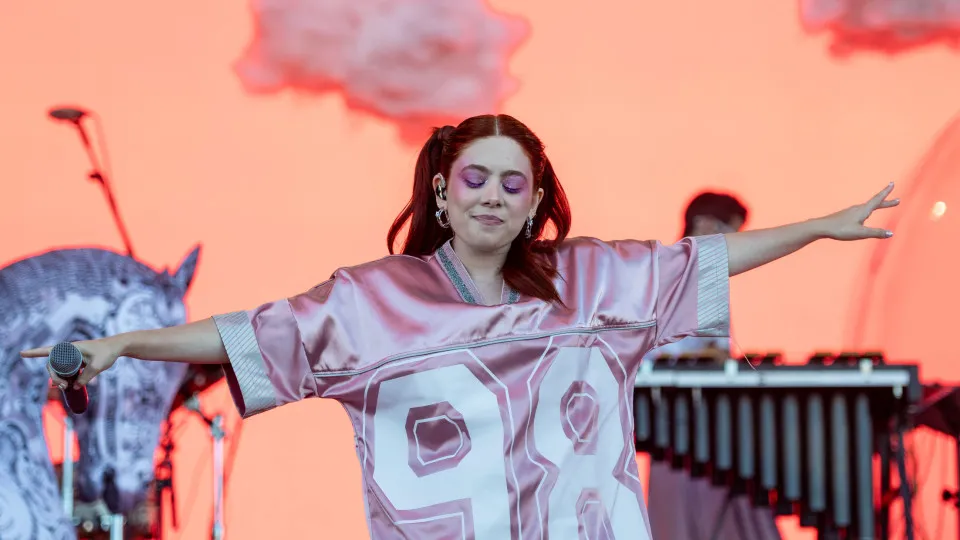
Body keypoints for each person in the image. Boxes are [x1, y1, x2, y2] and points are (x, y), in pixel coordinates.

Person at [24, 114, 899, 540]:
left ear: (535, 205)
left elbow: (704, 265)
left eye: (513, 184)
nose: (492, 194)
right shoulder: (373, 301)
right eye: (474, 177)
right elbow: (250, 335)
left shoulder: (590, 279)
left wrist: (821, 224)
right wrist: (124, 343)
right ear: (442, 191)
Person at [644, 190, 783, 540]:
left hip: (704, 424)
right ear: (705, 225)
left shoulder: (697, 273)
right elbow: (651, 352)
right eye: (732, 235)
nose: (739, 248)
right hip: (681, 426)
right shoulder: (675, 273)